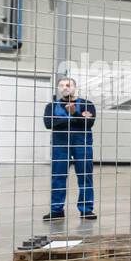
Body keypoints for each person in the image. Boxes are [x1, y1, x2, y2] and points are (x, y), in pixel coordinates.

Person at [42, 76, 96, 220]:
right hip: (60, 146)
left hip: (82, 145)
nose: (65, 88)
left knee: (85, 177)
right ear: (58, 89)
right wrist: (77, 118)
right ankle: (56, 210)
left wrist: (74, 113)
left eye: (68, 85)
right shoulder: (51, 106)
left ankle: (86, 210)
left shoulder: (87, 104)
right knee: (58, 177)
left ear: (74, 88)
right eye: (61, 85)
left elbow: (89, 123)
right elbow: (48, 123)